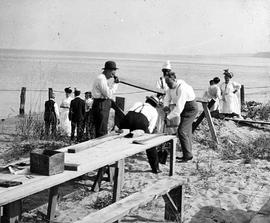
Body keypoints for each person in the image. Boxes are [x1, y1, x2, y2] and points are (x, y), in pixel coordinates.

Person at [163, 71, 198, 162]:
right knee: (187, 132)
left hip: (190, 109)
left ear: (174, 79)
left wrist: (168, 117)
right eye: (166, 83)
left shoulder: (182, 88)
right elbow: (167, 97)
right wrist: (166, 106)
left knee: (181, 131)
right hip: (183, 109)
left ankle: (187, 155)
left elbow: (178, 108)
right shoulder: (170, 87)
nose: (168, 85)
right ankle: (188, 154)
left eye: (169, 83)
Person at [120, 95, 160, 173]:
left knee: (121, 139)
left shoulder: (137, 103)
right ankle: (155, 168)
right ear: (155, 105)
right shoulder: (154, 111)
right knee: (150, 145)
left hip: (128, 118)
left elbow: (129, 112)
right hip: (141, 121)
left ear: (147, 100)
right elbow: (150, 129)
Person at [91, 61, 119, 137]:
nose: (112, 76)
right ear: (108, 70)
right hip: (101, 104)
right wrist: (115, 84)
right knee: (102, 130)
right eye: (112, 74)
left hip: (101, 104)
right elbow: (108, 94)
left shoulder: (102, 78)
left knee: (101, 128)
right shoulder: (101, 79)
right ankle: (100, 147)